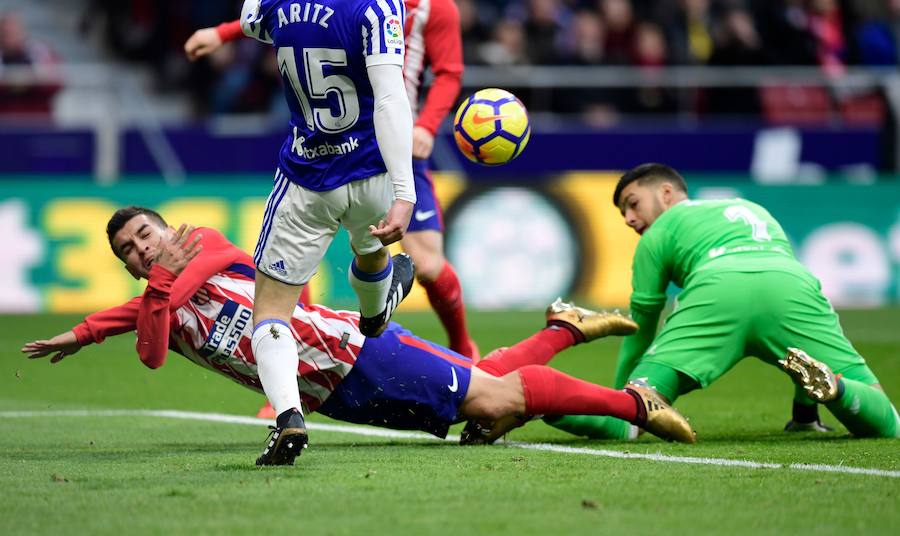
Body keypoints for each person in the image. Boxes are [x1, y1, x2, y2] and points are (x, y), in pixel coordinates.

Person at [21, 207, 697, 466]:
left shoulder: (202, 243)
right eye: (130, 254)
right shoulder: (161, 301)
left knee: (492, 400)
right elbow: (148, 353)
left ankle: (636, 404)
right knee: (480, 395)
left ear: (166, 228)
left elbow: (190, 277)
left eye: (145, 236)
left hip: (352, 349)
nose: (143, 253)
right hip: (330, 396)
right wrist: (86, 331)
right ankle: (562, 328)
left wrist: (148, 297)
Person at [185, 0, 479, 361]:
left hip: (394, 145)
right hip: (330, 140)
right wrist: (222, 32)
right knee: (294, 261)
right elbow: (288, 11)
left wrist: (428, 125)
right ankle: (293, 364)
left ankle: (463, 347)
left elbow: (449, 72)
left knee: (428, 264)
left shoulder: (436, 8)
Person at [543, 163, 899, 441]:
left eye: (633, 204)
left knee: (636, 416)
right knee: (885, 419)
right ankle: (837, 391)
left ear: (666, 193)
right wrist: (806, 413)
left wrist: (619, 399)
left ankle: (543, 401)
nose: (630, 219)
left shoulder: (660, 233)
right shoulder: (752, 209)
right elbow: (798, 353)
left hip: (717, 290)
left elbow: (641, 325)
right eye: (623, 214)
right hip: (792, 284)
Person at [216, 0, 421, 460]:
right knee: (370, 250)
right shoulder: (375, 8)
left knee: (270, 308)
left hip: (307, 177)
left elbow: (252, 21)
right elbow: (390, 97)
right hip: (371, 171)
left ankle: (288, 417)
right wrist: (404, 192)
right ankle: (375, 311)